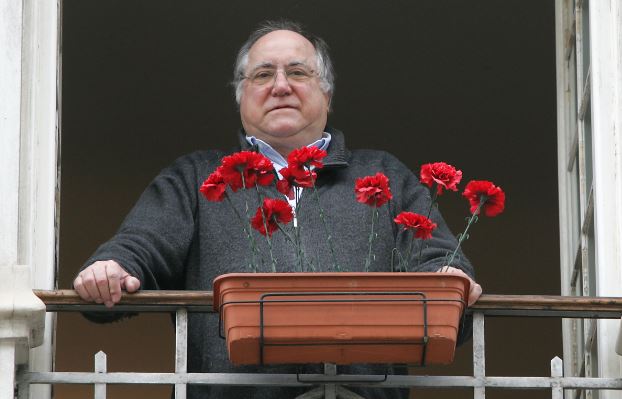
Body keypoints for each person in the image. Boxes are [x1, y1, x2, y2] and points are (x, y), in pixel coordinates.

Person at [74, 20, 482, 399]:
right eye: (263, 74)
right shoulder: (196, 176)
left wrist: (448, 278)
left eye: (299, 72)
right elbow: (142, 244)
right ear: (242, 95)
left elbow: (437, 260)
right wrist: (114, 266)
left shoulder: (383, 173)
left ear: (327, 93)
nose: (281, 86)